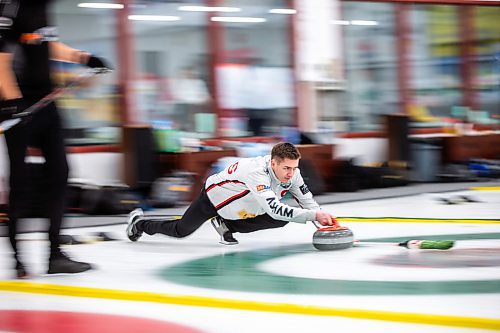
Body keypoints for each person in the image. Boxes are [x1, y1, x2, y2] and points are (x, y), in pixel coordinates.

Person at [0, 0, 111, 278]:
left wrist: (83, 58)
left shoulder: (42, 7)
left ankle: (55, 256)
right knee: (20, 181)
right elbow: (1, 60)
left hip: (47, 105)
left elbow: (45, 43)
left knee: (60, 174)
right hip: (21, 107)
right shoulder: (11, 8)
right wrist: (12, 102)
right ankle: (18, 261)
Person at [126, 142, 336, 245]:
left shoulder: (293, 173)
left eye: (294, 168)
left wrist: (323, 222)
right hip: (213, 198)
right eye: (286, 169)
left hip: (244, 205)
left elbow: (308, 201)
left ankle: (226, 225)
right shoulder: (257, 173)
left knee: (280, 219)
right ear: (273, 163)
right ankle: (139, 224)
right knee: (182, 230)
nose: (291, 174)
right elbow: (275, 208)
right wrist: (312, 216)